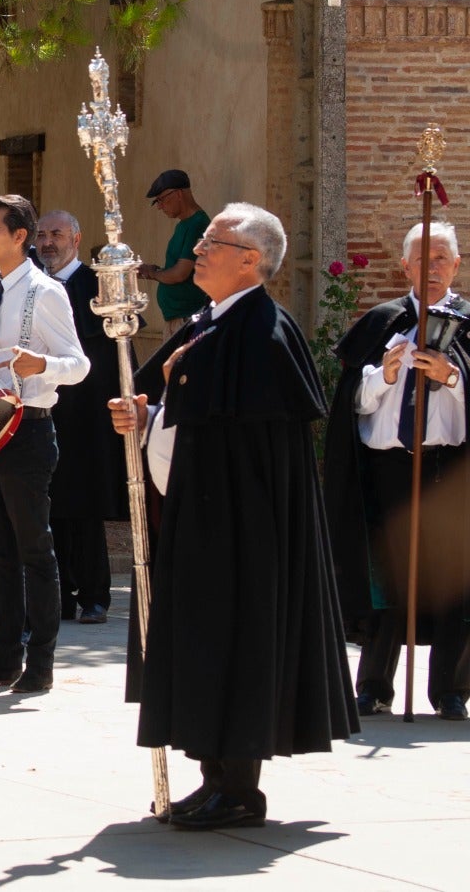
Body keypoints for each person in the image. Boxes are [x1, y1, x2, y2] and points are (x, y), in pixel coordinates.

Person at [109, 202, 357, 829]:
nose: (199, 251)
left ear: (250, 261)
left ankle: (240, 789)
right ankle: (212, 776)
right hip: (199, 524)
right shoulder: (206, 321)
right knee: (199, 647)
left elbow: (240, 441)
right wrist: (144, 415)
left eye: (213, 242)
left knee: (236, 647)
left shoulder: (262, 334)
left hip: (241, 535)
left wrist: (164, 414)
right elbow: (176, 409)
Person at [325, 222, 470, 719]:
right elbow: (352, 404)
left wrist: (451, 377)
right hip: (387, 469)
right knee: (386, 578)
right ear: (403, 266)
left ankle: (450, 690)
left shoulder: (468, 323)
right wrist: (382, 377)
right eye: (421, 260)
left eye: (442, 260)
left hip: (451, 472)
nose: (431, 269)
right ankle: (374, 687)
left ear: (456, 265)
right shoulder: (382, 322)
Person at [0, 195, 87, 696]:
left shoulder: (46, 293)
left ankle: (41, 662)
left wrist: (42, 365)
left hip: (28, 427)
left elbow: (79, 364)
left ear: (19, 236)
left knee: (34, 548)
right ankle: (2, 656)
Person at [36, 211, 125, 625]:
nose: (47, 242)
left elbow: (117, 356)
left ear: (76, 238)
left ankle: (94, 595)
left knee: (86, 508)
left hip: (87, 416)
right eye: (41, 235)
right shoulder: (30, 287)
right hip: (42, 412)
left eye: (56, 234)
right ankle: (58, 596)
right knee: (48, 507)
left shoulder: (98, 287)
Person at [136, 169, 209, 333]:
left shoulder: (197, 224)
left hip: (188, 319)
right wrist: (154, 270)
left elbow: (180, 274)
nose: (160, 207)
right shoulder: (183, 225)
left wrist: (152, 273)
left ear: (178, 194)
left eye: (161, 200)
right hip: (177, 319)